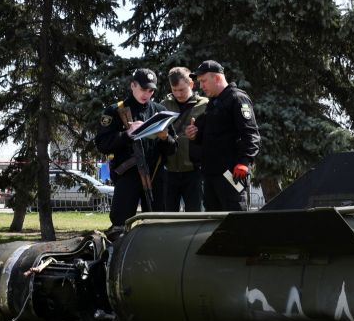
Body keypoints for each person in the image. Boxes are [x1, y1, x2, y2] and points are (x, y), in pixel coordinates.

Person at [95, 68, 177, 232]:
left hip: (155, 177)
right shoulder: (115, 111)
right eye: (143, 89)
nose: (146, 94)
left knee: (156, 226)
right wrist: (127, 134)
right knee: (119, 225)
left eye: (151, 90)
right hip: (127, 176)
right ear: (133, 85)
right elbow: (102, 144)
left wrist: (164, 137)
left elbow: (173, 148)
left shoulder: (160, 111)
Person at [185, 60, 260, 211]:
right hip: (211, 175)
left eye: (204, 81)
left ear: (217, 78)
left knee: (234, 220)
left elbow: (251, 134)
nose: (201, 86)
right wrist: (194, 134)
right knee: (212, 222)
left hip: (231, 174)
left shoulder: (237, 98)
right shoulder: (213, 103)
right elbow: (208, 135)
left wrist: (244, 162)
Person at [162, 67, 208, 211]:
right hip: (169, 171)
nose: (178, 94)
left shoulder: (205, 105)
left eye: (182, 90)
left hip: (195, 171)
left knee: (195, 216)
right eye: (174, 90)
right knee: (167, 218)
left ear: (191, 84)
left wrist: (198, 134)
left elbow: (213, 136)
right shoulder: (163, 106)